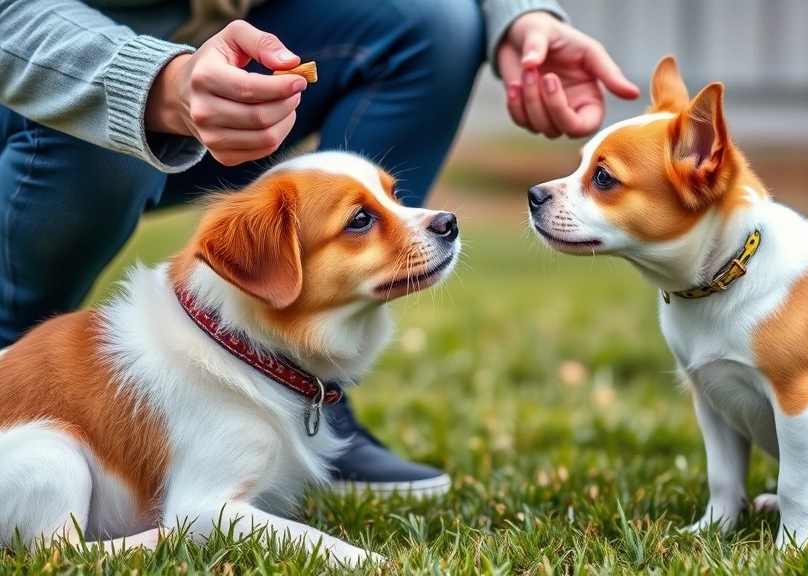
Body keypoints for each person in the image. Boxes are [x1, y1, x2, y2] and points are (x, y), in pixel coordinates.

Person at [0, 0, 640, 498]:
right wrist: (154, 82)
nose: (437, 220)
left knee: (432, 21)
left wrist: (520, 17)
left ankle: (308, 388)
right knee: (109, 139)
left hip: (233, 58)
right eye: (364, 217)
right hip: (47, 76)